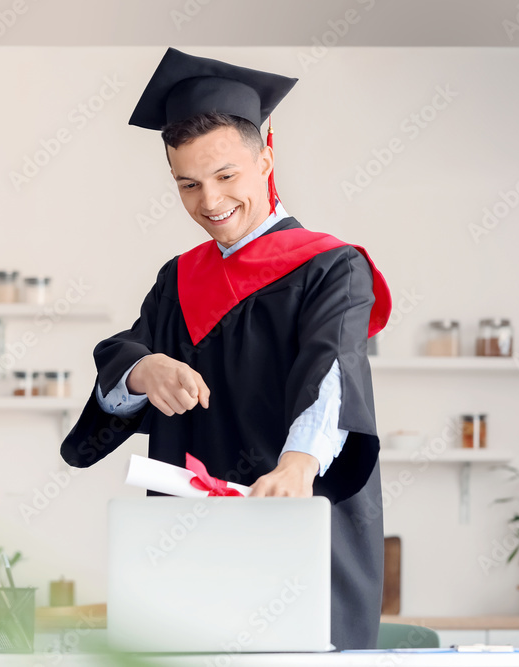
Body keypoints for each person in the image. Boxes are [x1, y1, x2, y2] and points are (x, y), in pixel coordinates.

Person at [59, 47, 392, 650]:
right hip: (190, 541)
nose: (209, 202)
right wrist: (142, 370)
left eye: (226, 176)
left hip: (300, 529)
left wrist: (298, 465)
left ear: (266, 155)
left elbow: (333, 368)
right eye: (187, 184)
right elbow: (125, 350)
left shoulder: (330, 267)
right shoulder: (178, 280)